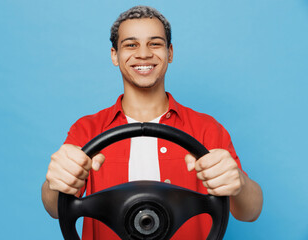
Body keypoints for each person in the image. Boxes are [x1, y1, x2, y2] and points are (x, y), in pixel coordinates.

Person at [41, 5, 263, 239]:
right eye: (131, 44)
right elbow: (55, 208)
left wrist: (238, 181)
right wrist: (56, 181)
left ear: (170, 52)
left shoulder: (206, 128)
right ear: (114, 55)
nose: (144, 54)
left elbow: (250, 211)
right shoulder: (87, 129)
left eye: (155, 43)